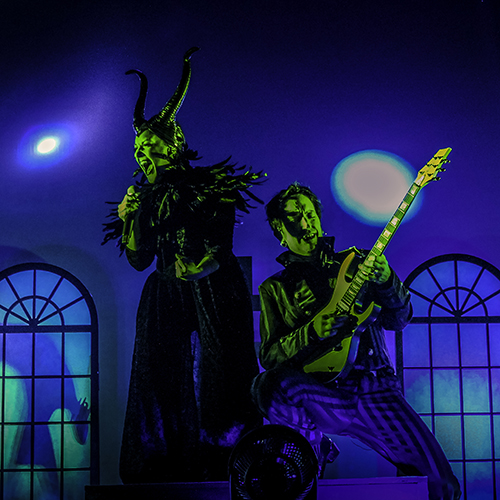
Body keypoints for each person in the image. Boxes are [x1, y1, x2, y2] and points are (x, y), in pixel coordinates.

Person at [103, 47, 265, 483]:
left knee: (221, 371)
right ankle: (162, 462)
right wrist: (130, 217)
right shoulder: (144, 197)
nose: (142, 154)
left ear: (173, 144)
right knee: (160, 374)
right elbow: (138, 259)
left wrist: (200, 269)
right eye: (137, 148)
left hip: (213, 288)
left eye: (149, 145)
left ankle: (225, 460)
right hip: (164, 292)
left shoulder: (210, 186)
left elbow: (220, 246)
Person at [251, 182, 461, 500]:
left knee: (441, 485)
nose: (305, 223)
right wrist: (311, 331)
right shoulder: (275, 288)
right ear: (280, 229)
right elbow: (269, 355)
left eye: (310, 213)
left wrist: (388, 279)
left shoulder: (357, 263)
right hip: (324, 392)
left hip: (375, 386)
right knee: (266, 386)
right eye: (294, 217)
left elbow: (400, 319)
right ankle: (313, 445)